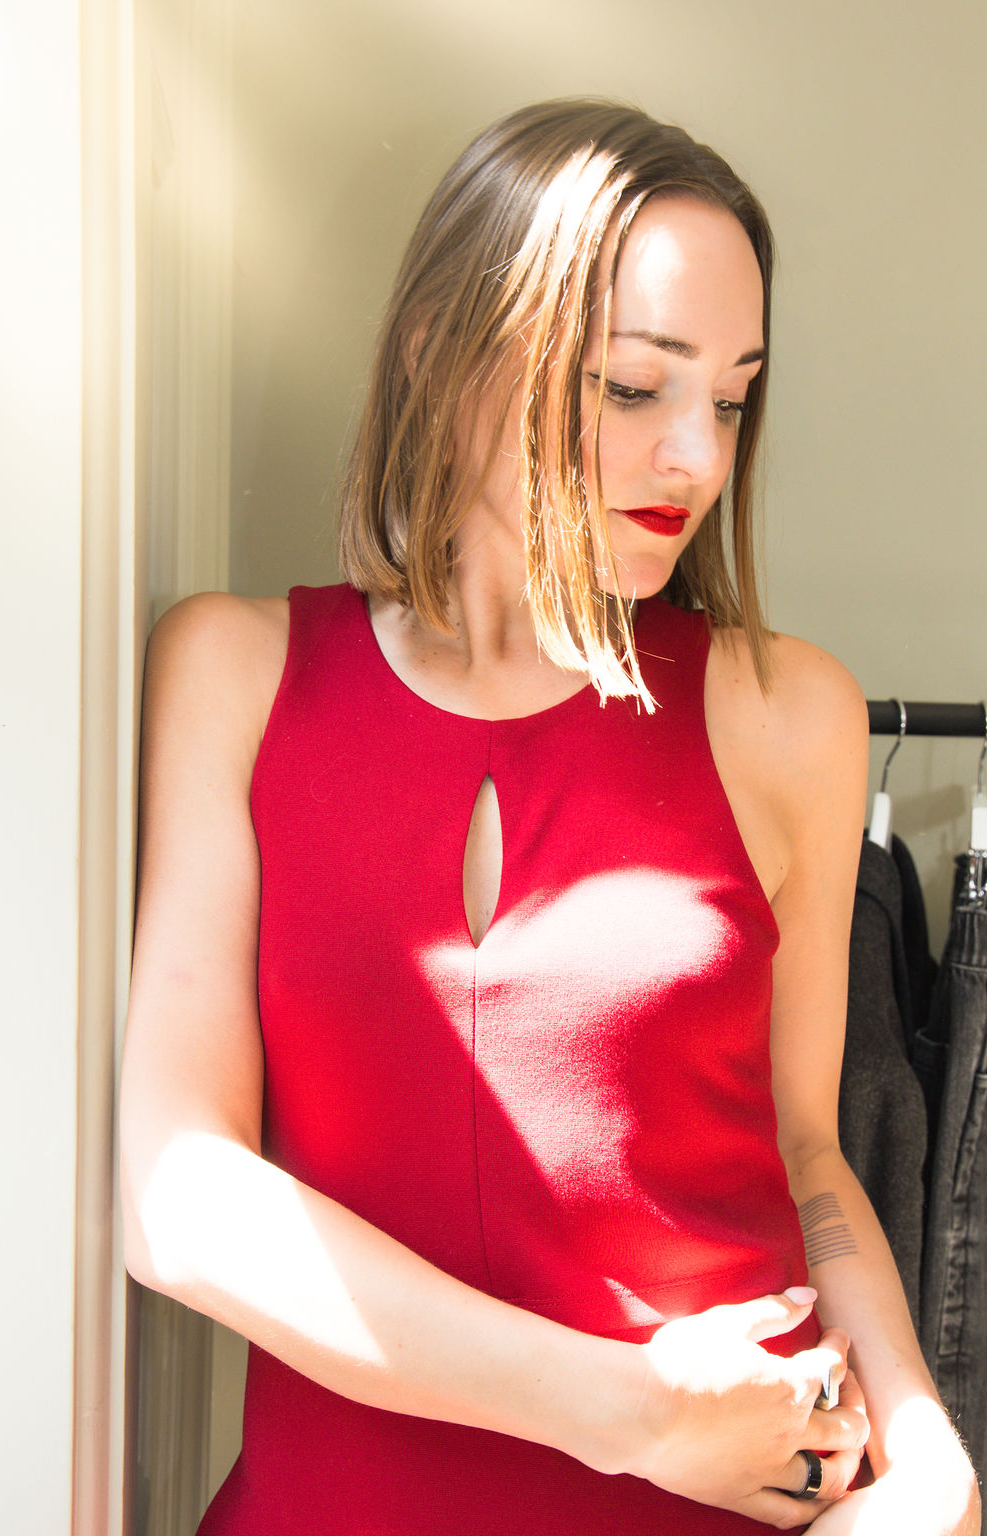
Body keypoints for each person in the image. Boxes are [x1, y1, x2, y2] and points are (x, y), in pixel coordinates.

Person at [120, 100, 980, 1534]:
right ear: (440, 353)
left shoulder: (789, 714)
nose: (697, 457)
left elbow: (805, 1149)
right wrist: (629, 1414)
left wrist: (926, 1449)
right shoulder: (236, 674)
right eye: (636, 386)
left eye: (732, 399)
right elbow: (178, 1200)